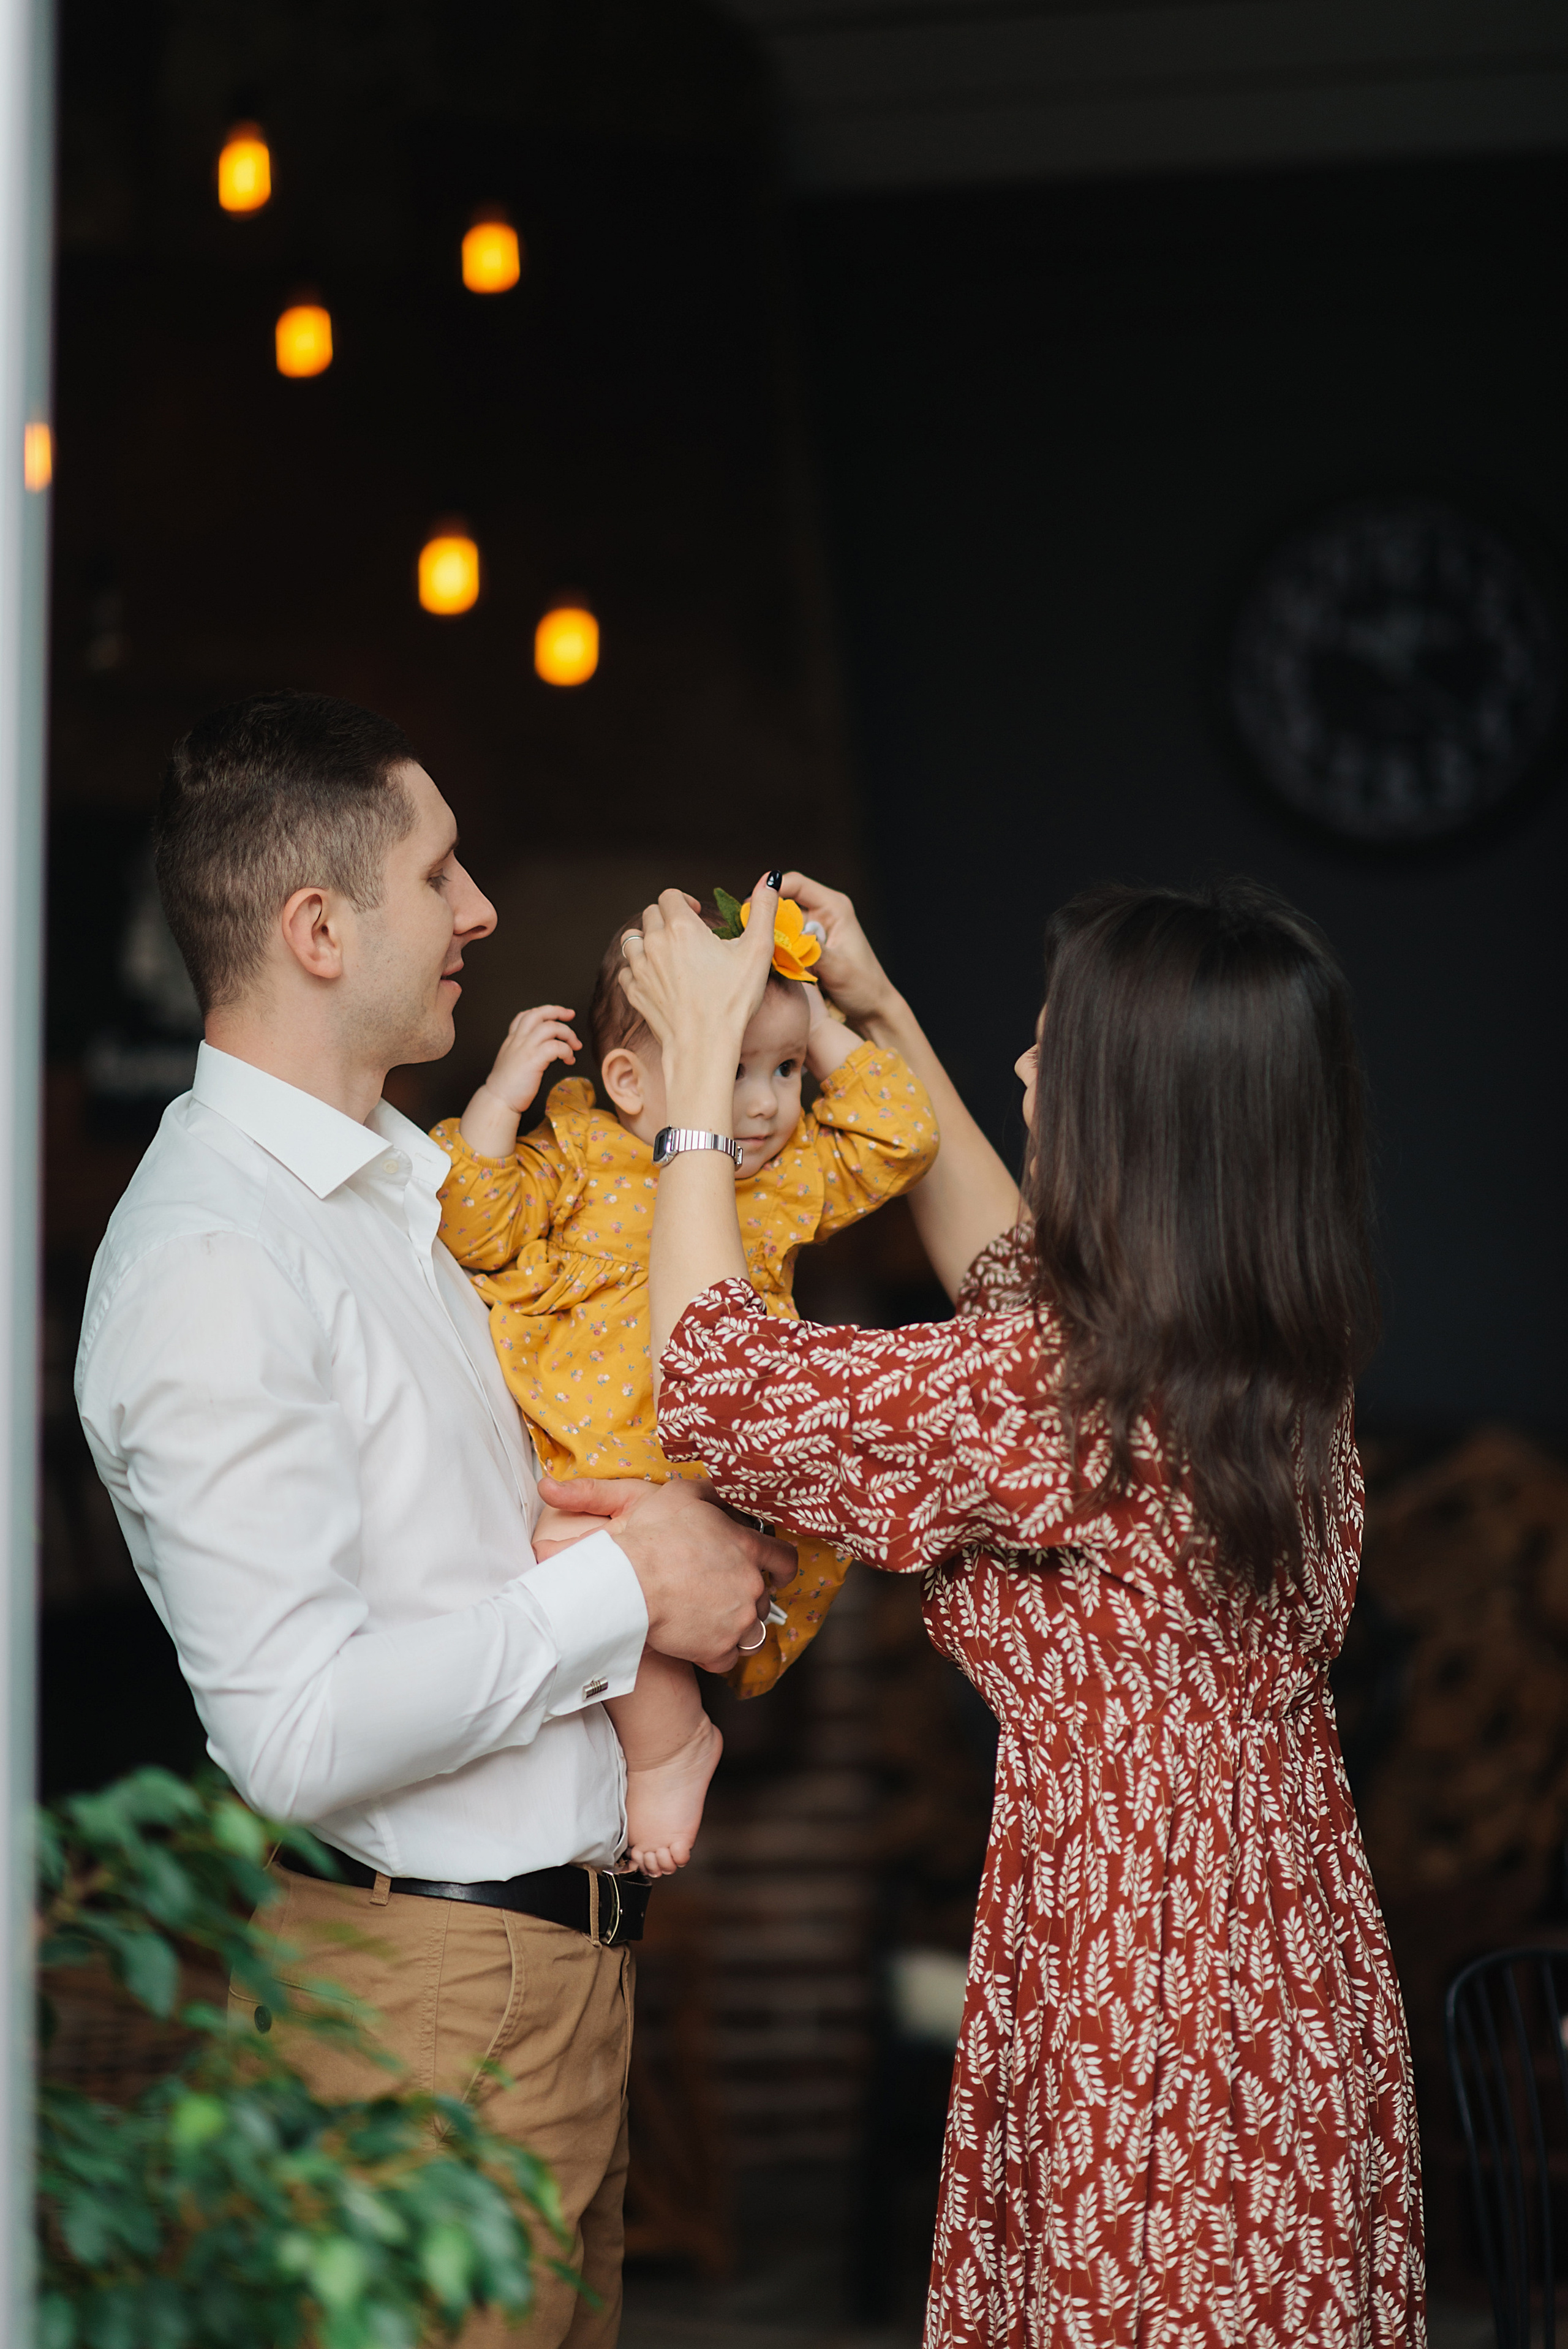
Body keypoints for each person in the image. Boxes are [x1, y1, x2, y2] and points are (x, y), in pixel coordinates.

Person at [72, 692, 794, 2349]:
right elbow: (298, 1731)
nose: (480, 909)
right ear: (318, 929)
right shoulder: (212, 1260)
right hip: (427, 2015)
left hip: (544, 1990)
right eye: (441, 871)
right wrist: (626, 1586)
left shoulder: (410, 1181)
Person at [618, 871, 1425, 2348]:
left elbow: (714, 1386)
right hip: (1284, 1946)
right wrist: (873, 1010)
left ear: (1135, 1115)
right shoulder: (1266, 1348)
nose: (1020, 1069)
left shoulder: (1058, 1393)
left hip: (1141, 1970)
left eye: (1052, 1050)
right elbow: (1012, 1279)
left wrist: (688, 1084)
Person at [429, 902, 937, 1876]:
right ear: (625, 1081)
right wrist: (500, 1100)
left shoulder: (780, 1181)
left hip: (725, 1480)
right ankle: (671, 1743)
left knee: (588, 1558)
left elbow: (898, 1137)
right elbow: (478, 1226)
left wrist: (817, 1013)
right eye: (732, 1065)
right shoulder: (579, 1155)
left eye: (783, 1072)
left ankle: (665, 1750)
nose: (760, 1105)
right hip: (609, 1489)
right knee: (561, 1552)